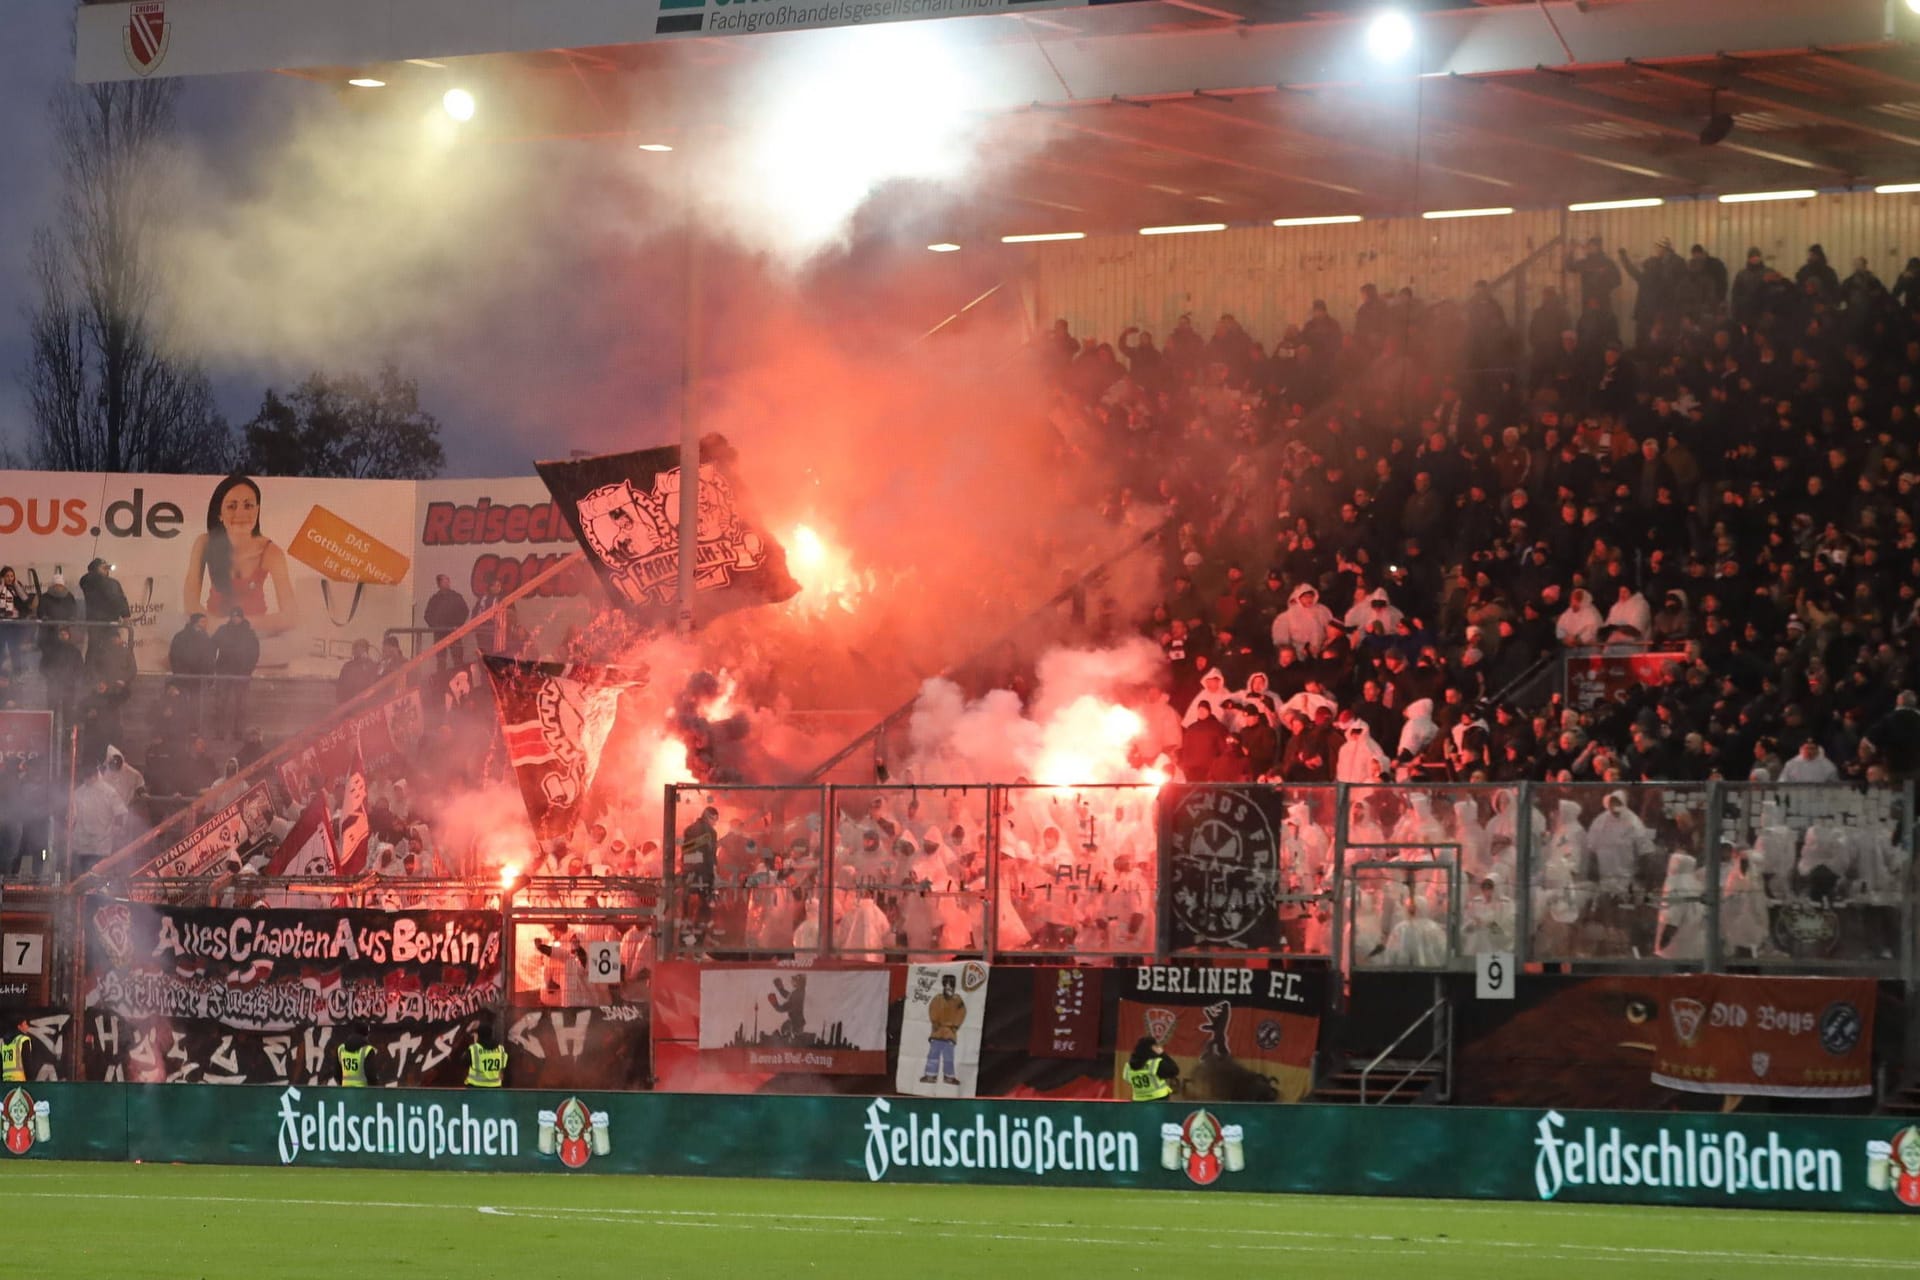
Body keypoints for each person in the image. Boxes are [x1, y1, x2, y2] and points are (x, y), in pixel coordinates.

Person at [184, 474, 300, 635]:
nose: (241, 514)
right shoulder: (204, 543)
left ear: (257, 510)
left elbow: (291, 616)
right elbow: (190, 602)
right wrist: (215, 625)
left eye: (248, 505)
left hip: (255, 633)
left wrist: (235, 624)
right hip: (212, 629)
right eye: (232, 506)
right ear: (219, 513)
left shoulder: (271, 553)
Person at [212, 608, 260, 725]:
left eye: (238, 616)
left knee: (241, 704)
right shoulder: (223, 630)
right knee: (220, 703)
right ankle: (219, 731)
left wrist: (248, 669)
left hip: (242, 673)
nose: (235, 619)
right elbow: (212, 645)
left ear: (242, 617)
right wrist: (216, 664)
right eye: (233, 616)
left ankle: (238, 730)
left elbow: (254, 653)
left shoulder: (249, 633)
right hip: (224, 672)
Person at [918, 972, 967, 1086]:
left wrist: (955, 1026)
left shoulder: (957, 1000)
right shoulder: (938, 999)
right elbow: (932, 1011)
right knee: (933, 1056)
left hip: (950, 1033)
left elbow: (961, 1013)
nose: (948, 987)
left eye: (951, 985)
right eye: (946, 984)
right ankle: (930, 1075)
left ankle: (949, 1077)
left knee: (949, 1057)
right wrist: (935, 1023)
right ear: (943, 985)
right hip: (937, 1033)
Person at [423, 574, 469, 669]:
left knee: (458, 658)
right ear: (439, 583)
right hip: (440, 633)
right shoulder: (435, 599)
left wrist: (458, 625)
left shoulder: (456, 596)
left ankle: (459, 678)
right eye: (445, 581)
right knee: (441, 660)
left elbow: (465, 610)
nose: (447, 583)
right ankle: (441, 680)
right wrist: (435, 626)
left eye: (448, 580)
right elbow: (427, 615)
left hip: (453, 631)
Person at [1123, 1034, 1178, 1101]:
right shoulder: (1155, 1063)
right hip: (1159, 1100)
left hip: (1139, 1101)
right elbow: (1175, 1070)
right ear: (1153, 1048)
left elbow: (1127, 1079)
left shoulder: (1128, 1066)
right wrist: (1163, 1054)